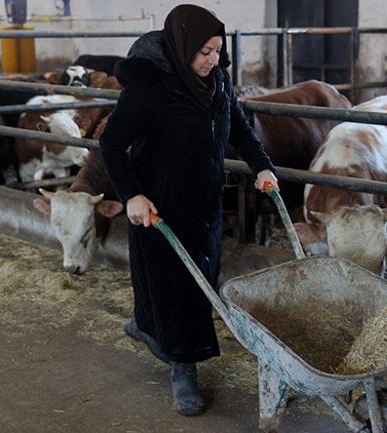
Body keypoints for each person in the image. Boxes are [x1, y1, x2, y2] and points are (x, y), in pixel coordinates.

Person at [99, 4, 278, 416]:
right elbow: (110, 144)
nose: (213, 60)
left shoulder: (218, 82)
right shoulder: (152, 88)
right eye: (205, 52)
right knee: (179, 287)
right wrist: (132, 196)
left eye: (218, 51)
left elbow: (240, 129)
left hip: (205, 206)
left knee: (195, 281)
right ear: (182, 47)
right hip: (158, 206)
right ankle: (185, 367)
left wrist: (262, 166)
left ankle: (145, 325)